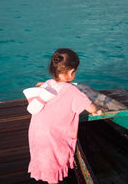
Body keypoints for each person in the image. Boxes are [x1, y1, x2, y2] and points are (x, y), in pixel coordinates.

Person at [25, 48, 101, 184]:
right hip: (53, 137)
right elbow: (90, 106)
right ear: (71, 72)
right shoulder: (72, 91)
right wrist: (96, 111)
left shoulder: (47, 84)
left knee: (44, 159)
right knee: (54, 164)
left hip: (37, 132)